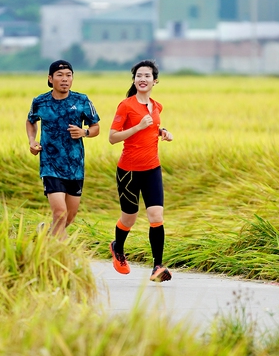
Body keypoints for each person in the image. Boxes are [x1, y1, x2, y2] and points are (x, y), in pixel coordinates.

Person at [108, 59, 174, 282]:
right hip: (128, 171)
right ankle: (118, 247)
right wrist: (137, 127)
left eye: (147, 76)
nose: (142, 79)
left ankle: (157, 266)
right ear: (134, 80)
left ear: (155, 80)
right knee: (129, 217)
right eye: (139, 76)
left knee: (156, 216)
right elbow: (112, 138)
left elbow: (152, 127)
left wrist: (162, 132)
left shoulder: (157, 106)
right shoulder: (126, 106)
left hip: (152, 168)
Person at [26, 59, 100, 240]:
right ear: (51, 79)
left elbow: (96, 128)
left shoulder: (82, 100)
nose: (65, 79)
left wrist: (84, 132)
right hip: (50, 164)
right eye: (60, 75)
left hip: (75, 165)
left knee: (69, 216)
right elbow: (31, 121)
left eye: (68, 75)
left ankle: (46, 234)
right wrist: (32, 141)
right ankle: (63, 256)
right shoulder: (40, 102)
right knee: (60, 213)